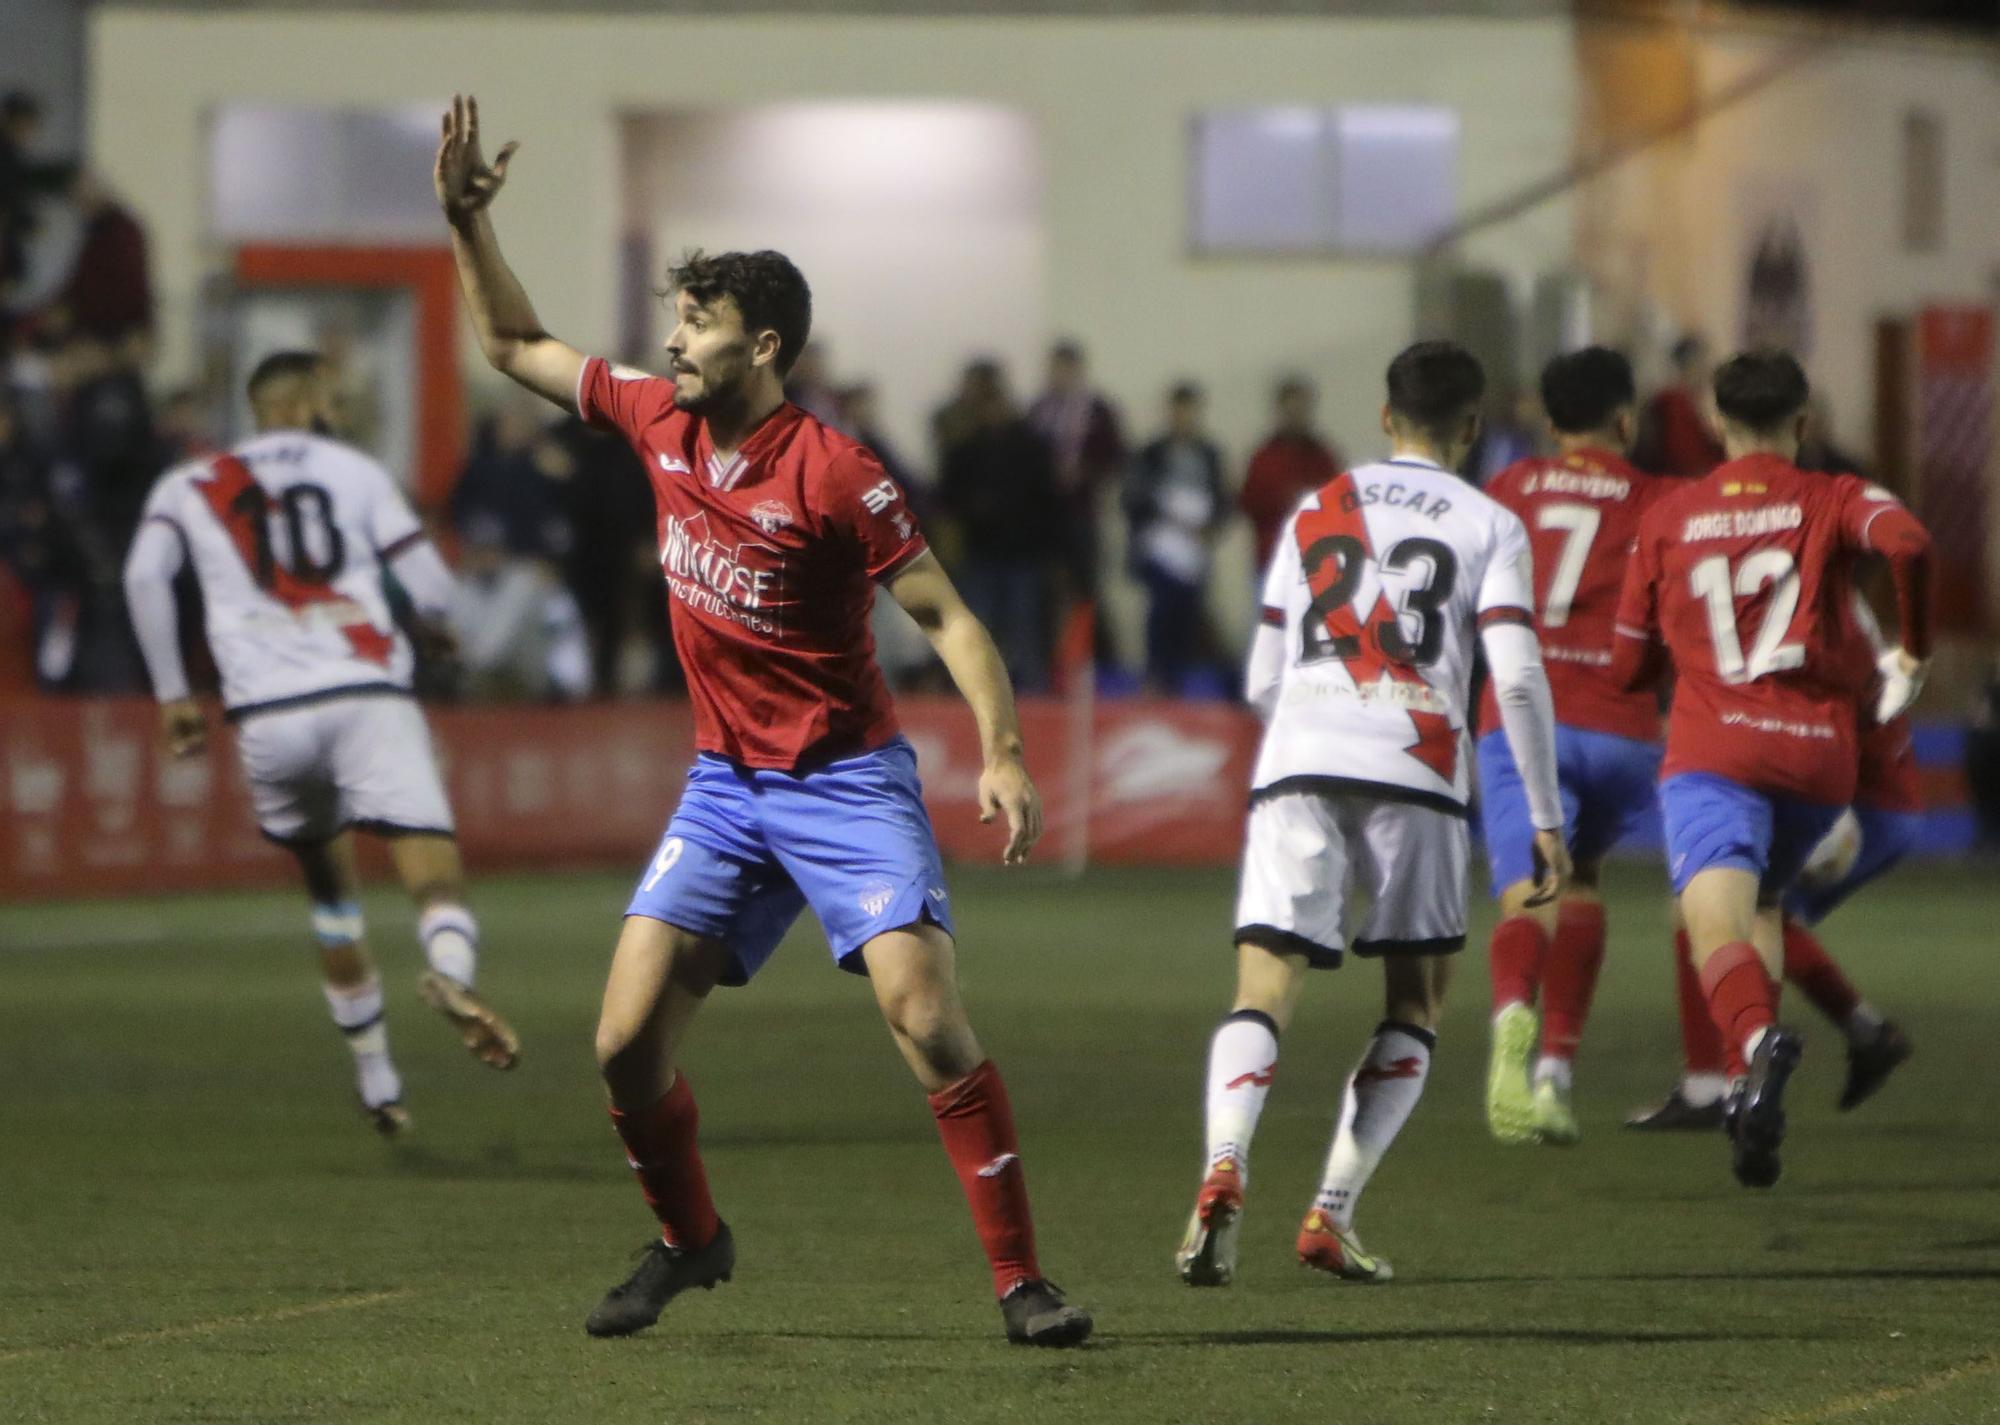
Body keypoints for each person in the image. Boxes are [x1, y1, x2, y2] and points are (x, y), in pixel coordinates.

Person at [434, 94, 1090, 1347]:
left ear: (766, 345)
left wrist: (1000, 751)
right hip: (727, 786)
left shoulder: (836, 472)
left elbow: (947, 618)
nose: (671, 342)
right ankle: (690, 1241)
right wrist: (469, 224)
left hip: (845, 783)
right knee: (623, 1045)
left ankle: (1021, 1283)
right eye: (676, 319)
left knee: (926, 1019)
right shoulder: (654, 419)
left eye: (699, 325)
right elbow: (513, 341)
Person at [1176, 341, 1570, 1288]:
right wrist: (1545, 813)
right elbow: (1514, 673)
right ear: (1472, 428)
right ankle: (1331, 1211)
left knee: (1263, 987)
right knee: (1416, 1003)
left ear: (1387, 417)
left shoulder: (1320, 504)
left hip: (1301, 756)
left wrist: (1321, 727)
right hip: (1420, 768)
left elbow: (1266, 674)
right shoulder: (1489, 520)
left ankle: (1225, 1158)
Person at [121, 350, 521, 1135]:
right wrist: (434, 629)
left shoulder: (190, 481)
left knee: (331, 893)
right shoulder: (354, 471)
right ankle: (448, 972)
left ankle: (377, 1081)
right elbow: (431, 582)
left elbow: (142, 577)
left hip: (267, 711)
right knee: (430, 865)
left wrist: (173, 695)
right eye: (329, 396)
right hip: (366, 689)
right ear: (305, 401)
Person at [1609, 349, 1932, 1187]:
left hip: (1717, 752)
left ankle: (1753, 1053)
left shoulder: (1673, 511)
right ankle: (1757, 1098)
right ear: (1804, 423)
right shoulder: (1832, 497)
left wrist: (1649, 673)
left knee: (1711, 925)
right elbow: (1910, 541)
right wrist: (1918, 648)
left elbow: (1629, 663)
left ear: (1716, 423)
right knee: (1766, 910)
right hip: (1818, 765)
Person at [1472, 348, 1670, 1146]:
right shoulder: (1658, 498)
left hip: (1528, 717)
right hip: (1622, 725)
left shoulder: (1509, 489)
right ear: (1625, 419)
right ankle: (1555, 1072)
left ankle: (1513, 1024)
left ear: (1549, 423)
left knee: (1529, 892)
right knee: (1582, 879)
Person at [1630, 612, 1920, 1129]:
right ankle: (1862, 1035)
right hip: (1868, 796)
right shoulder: (1813, 583)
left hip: (1860, 806)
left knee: (1719, 910)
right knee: (1748, 913)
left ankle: (1723, 1086)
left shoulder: (1815, 601)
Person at [935, 366, 1064, 691]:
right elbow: (947, 498)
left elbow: (1048, 501)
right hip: (981, 554)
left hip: (1023, 555)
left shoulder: (1031, 449)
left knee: (1024, 632)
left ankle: (1033, 699)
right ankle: (975, 693)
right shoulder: (965, 452)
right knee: (978, 631)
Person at [1125, 382, 1227, 692]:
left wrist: (1208, 528)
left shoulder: (1208, 454)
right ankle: (1156, 676)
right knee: (1161, 615)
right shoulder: (1152, 454)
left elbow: (1223, 501)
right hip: (1161, 550)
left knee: (1187, 618)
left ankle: (1179, 680)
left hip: (1193, 554)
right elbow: (1134, 499)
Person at [1026, 340, 1125, 597]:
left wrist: (1085, 471)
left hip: (1083, 507)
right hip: (1044, 511)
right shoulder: (1038, 410)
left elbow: (1114, 455)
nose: (1060, 374)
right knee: (1048, 585)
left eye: (1065, 368)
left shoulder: (1096, 410)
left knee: (1085, 583)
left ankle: (1086, 636)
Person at [1238, 376, 1341, 574]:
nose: (1296, 416)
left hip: (1317, 561)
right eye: (1290, 409)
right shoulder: (1263, 458)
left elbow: (1340, 501)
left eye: (1301, 409)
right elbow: (1248, 503)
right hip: (1272, 560)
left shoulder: (1322, 456)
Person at [1634, 335, 1724, 477]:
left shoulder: (1693, 401)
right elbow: (1688, 461)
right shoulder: (1675, 403)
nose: (1707, 370)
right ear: (1691, 366)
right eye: (1702, 363)